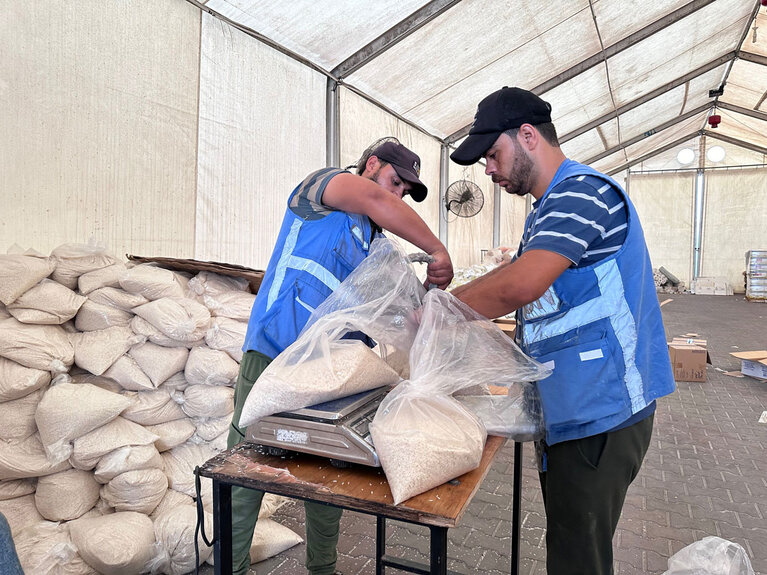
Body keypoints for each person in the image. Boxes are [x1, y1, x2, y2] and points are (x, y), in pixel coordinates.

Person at [449, 86, 676, 575]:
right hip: (573, 408)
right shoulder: (548, 210)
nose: (488, 170)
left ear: (528, 136)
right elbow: (542, 295)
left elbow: (521, 284)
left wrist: (445, 311)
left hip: (604, 412)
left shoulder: (583, 192)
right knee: (571, 547)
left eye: (493, 154)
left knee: (578, 560)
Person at [227, 139, 453, 575]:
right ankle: (231, 568)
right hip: (274, 353)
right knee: (245, 469)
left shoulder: (377, 244)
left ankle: (323, 569)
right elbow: (372, 197)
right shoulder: (321, 190)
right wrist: (439, 249)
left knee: (328, 474)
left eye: (406, 190)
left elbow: (395, 310)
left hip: (330, 374)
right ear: (371, 164)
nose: (398, 195)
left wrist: (429, 301)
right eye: (395, 182)